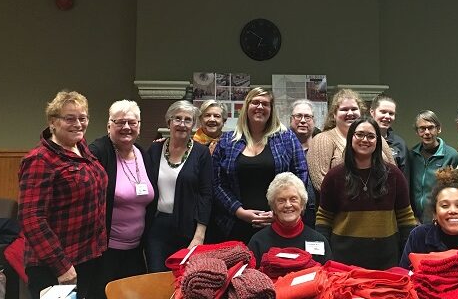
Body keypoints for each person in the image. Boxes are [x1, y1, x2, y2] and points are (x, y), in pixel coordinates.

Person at [18, 90, 107, 299]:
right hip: (55, 265)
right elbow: (31, 220)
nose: (78, 124)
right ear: (53, 122)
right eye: (70, 118)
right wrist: (61, 266)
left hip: (87, 256)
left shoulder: (81, 147)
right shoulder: (40, 160)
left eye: (82, 118)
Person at [212, 87, 312, 244]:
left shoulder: (287, 138)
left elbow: (301, 176)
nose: (260, 107)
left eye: (265, 104)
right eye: (255, 102)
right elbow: (217, 183)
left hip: (278, 224)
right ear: (246, 107)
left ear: (271, 110)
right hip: (234, 224)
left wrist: (279, 212)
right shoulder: (227, 141)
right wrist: (239, 211)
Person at [316, 116, 416, 270]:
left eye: (371, 136)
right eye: (360, 134)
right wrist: (326, 256)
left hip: (386, 260)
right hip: (342, 262)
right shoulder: (334, 176)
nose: (365, 140)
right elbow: (324, 220)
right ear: (351, 138)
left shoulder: (394, 175)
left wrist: (406, 255)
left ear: (378, 141)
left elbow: (406, 219)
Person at [88, 100, 154, 295]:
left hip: (135, 250)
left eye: (132, 122)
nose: (126, 127)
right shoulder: (98, 152)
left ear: (139, 126)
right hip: (106, 251)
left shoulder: (142, 153)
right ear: (109, 125)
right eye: (120, 122)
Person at [146, 100, 212, 271]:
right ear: (169, 122)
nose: (182, 124)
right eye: (178, 119)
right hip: (157, 227)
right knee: (156, 277)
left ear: (193, 125)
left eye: (188, 120)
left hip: (187, 228)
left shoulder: (201, 153)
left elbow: (206, 195)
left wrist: (199, 235)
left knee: (183, 279)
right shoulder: (154, 150)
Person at [307, 89, 395, 193]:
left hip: (380, 202)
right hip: (341, 205)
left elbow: (394, 174)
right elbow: (321, 183)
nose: (350, 113)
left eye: (354, 109)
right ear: (334, 115)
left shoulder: (377, 137)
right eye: (344, 109)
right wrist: (358, 197)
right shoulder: (323, 139)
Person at [248, 172, 331, 265]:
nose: (288, 205)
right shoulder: (257, 242)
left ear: (302, 204)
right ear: (273, 207)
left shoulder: (319, 240)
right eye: (281, 200)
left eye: (293, 199)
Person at [408, 110, 458, 223]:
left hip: (439, 218)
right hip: (415, 219)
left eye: (431, 128)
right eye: (422, 128)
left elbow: (454, 190)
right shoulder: (411, 155)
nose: (427, 132)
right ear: (417, 132)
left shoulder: (451, 155)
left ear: (438, 129)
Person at [370, 94, 408, 175]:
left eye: (391, 113)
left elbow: (404, 177)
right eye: (383, 112)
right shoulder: (362, 140)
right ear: (372, 112)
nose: (387, 116)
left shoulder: (400, 144)